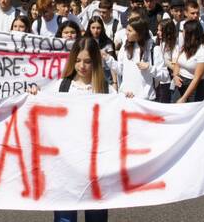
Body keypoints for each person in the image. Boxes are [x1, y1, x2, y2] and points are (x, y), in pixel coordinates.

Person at [27, 37, 110, 222]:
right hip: (65, 165)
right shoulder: (61, 86)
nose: (82, 66)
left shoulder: (106, 89)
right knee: (65, 218)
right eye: (78, 60)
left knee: (96, 216)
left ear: (96, 62)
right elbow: (42, 106)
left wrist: (128, 99)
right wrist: (34, 94)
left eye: (88, 61)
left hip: (96, 166)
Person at [104, 19, 167, 100]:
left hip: (145, 101)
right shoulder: (125, 47)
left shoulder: (154, 49)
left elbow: (165, 76)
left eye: (130, 31)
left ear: (139, 33)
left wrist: (149, 68)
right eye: (127, 29)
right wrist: (108, 58)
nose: (126, 33)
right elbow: (121, 70)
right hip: (126, 98)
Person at [172, 20, 204, 103]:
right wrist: (175, 76)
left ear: (190, 33)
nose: (182, 33)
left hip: (197, 88)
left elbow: (197, 78)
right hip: (181, 84)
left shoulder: (203, 51)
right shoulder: (185, 47)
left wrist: (184, 98)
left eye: (183, 31)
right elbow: (177, 64)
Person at [156, 19, 178, 103]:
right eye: (157, 30)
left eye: (160, 30)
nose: (158, 33)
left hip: (169, 82)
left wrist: (162, 59)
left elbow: (175, 66)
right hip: (158, 81)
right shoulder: (158, 42)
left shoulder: (175, 45)